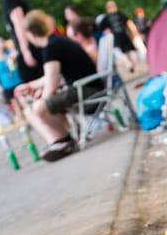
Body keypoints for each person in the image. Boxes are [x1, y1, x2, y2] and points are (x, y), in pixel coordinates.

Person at [16, 9, 102, 161]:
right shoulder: (56, 42)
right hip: (88, 87)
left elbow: (52, 81)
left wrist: (42, 101)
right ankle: (62, 140)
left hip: (86, 90)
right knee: (42, 105)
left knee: (39, 108)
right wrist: (30, 86)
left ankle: (64, 141)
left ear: (30, 33)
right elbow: (50, 77)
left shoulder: (51, 47)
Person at [96, 0, 142, 70]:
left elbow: (102, 30)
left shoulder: (106, 18)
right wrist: (135, 32)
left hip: (116, 38)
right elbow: (130, 23)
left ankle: (128, 64)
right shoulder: (120, 14)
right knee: (131, 51)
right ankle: (134, 65)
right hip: (124, 36)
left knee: (118, 52)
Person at [0, 38, 24, 120]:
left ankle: (29, 116)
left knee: (22, 99)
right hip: (6, 84)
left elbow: (15, 66)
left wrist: (12, 54)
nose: (2, 43)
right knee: (14, 103)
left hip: (17, 79)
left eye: (2, 41)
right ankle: (23, 119)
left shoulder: (9, 52)